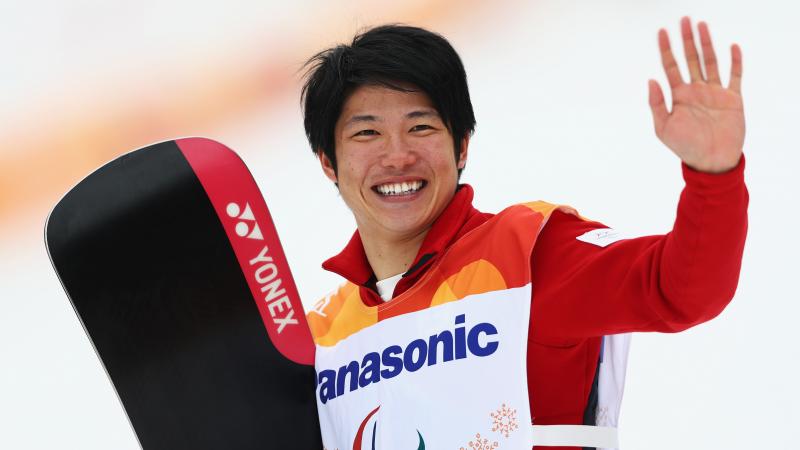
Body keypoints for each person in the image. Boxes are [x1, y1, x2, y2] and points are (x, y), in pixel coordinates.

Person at [300, 17, 747, 449]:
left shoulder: (528, 254)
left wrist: (714, 175)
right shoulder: (319, 336)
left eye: (421, 127)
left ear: (461, 147)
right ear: (328, 162)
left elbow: (683, 290)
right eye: (367, 133)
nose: (397, 156)